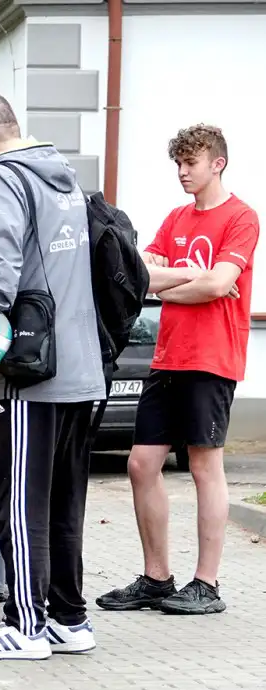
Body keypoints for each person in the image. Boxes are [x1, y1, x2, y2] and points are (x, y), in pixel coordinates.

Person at [0, 92, 106, 660]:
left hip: (30, 371)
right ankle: (69, 618)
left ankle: (26, 626)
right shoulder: (63, 175)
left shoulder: (1, 178)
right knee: (63, 500)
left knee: (14, 499)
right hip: (82, 365)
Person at [97, 124, 258, 615]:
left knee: (205, 465)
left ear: (218, 163)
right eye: (179, 165)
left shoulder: (241, 218)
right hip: (168, 356)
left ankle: (206, 584)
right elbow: (142, 280)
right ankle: (157, 578)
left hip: (212, 358)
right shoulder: (175, 219)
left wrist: (180, 284)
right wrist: (194, 278)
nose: (184, 173)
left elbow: (219, 286)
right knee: (140, 463)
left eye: (192, 163)